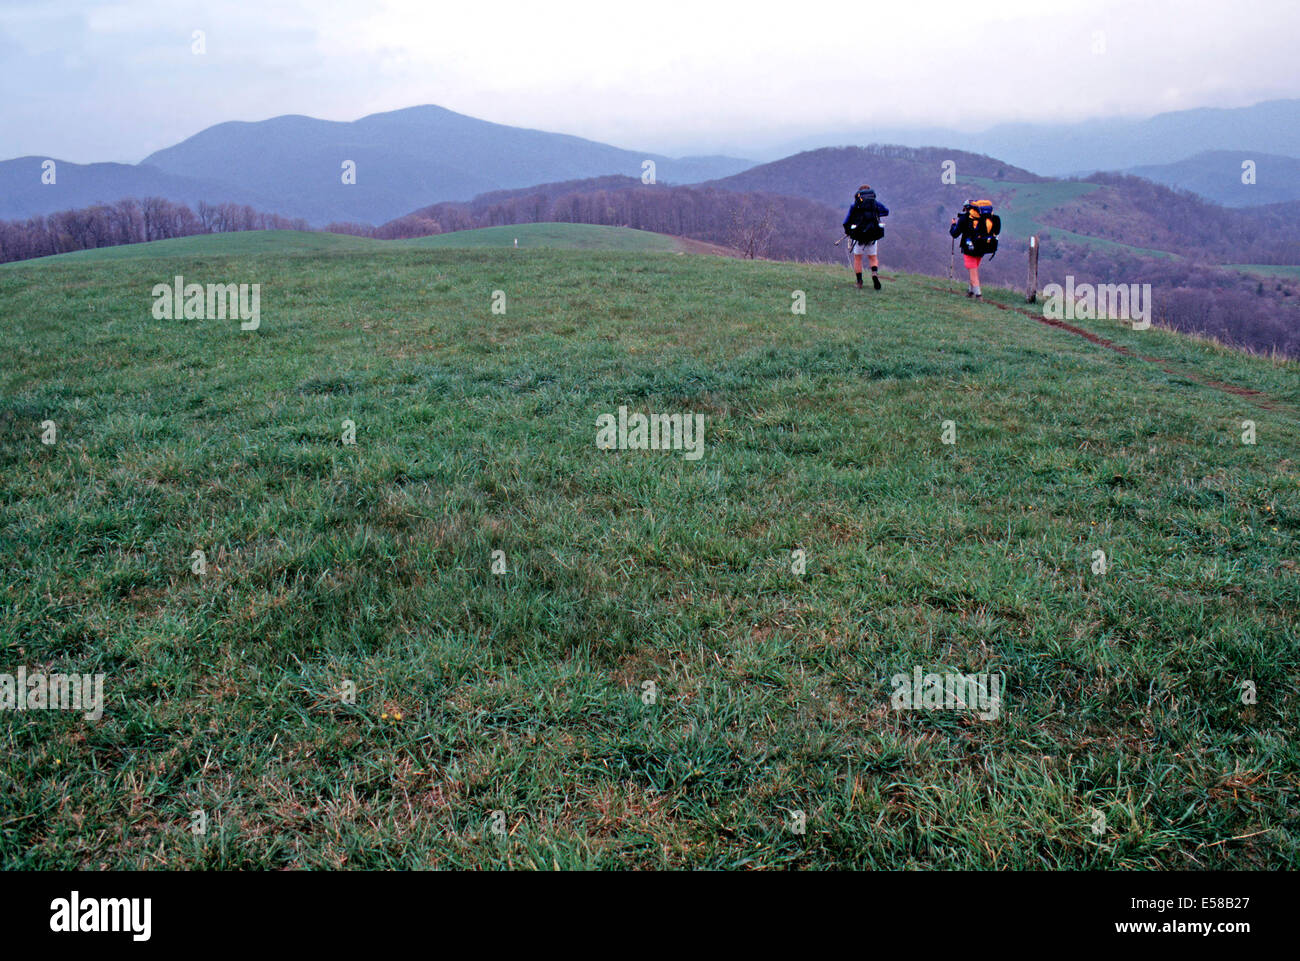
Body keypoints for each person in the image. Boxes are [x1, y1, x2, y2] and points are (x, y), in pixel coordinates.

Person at [949, 200, 1000, 301]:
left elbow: (954, 234)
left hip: (969, 249)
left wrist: (953, 225)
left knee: (973, 271)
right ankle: (970, 291)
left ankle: (978, 295)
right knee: (974, 269)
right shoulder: (983, 218)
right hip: (982, 247)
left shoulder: (964, 219)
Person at [842, 185, 888, 289]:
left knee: (858, 258)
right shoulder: (875, 204)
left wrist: (848, 231)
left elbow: (846, 221)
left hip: (859, 235)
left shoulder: (855, 205)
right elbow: (886, 211)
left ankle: (859, 282)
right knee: (873, 257)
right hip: (873, 234)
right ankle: (874, 273)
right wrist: (876, 214)